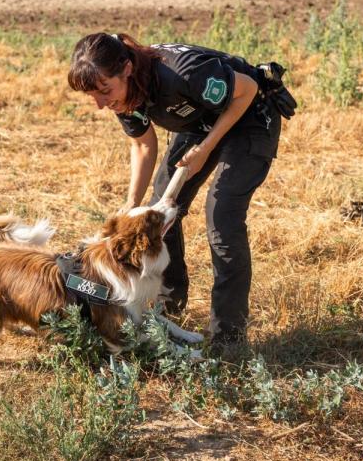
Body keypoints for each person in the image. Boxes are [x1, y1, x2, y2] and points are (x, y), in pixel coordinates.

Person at [67, 32, 295, 346]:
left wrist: (206, 149)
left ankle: (228, 334)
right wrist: (131, 205)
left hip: (250, 116)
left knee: (222, 215)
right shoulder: (124, 95)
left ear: (127, 69)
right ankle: (169, 303)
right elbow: (143, 145)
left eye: (104, 91)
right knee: (159, 212)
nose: (101, 104)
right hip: (199, 124)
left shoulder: (181, 72)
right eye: (93, 95)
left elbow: (248, 90)